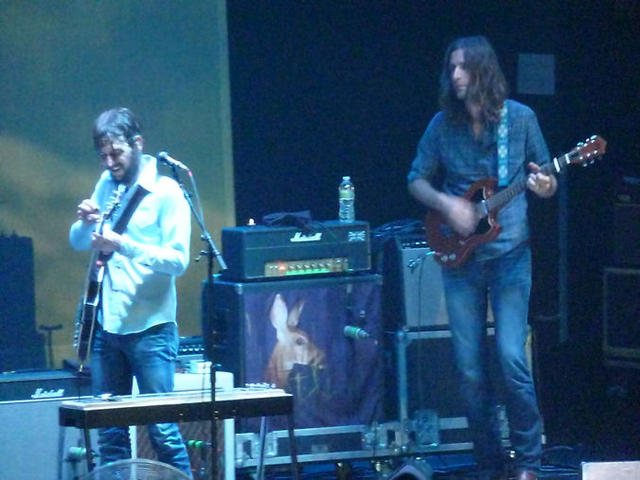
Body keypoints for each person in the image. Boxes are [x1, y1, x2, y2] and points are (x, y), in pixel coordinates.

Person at [408, 36, 557, 480]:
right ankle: (489, 465)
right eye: (451, 68)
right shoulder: (441, 125)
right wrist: (448, 205)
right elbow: (415, 179)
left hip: (511, 256)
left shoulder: (521, 119)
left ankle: (528, 463)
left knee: (511, 358)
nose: (455, 75)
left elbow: (547, 176)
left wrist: (545, 185)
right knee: (470, 370)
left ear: (483, 71)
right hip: (461, 260)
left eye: (464, 67)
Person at [69, 107, 193, 477]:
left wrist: (123, 245)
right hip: (107, 327)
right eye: (103, 156)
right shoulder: (106, 184)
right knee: (110, 434)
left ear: (138, 143)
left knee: (163, 431)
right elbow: (80, 242)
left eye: (116, 154)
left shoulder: (167, 192)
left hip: (151, 328)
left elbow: (178, 260)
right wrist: (84, 223)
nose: (110, 163)